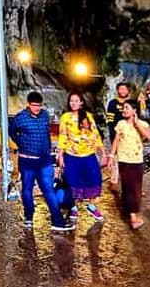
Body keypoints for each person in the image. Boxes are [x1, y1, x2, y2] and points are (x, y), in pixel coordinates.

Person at [9, 91, 73, 231]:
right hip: (27, 161)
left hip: (44, 160)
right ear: (28, 105)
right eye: (34, 105)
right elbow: (12, 131)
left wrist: (50, 152)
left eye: (39, 105)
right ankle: (28, 217)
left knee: (48, 189)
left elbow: (46, 134)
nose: (37, 108)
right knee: (27, 189)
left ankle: (57, 220)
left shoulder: (44, 115)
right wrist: (21, 143)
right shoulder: (21, 118)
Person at [57, 92, 107, 223]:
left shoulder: (88, 117)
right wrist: (60, 155)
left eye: (76, 101)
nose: (73, 103)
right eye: (71, 101)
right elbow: (62, 136)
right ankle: (73, 207)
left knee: (95, 178)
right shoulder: (65, 118)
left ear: (81, 103)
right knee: (72, 180)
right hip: (71, 155)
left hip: (88, 154)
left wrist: (104, 153)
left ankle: (91, 205)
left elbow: (95, 135)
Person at [108, 99, 150, 229]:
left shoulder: (143, 123)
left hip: (137, 160)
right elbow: (116, 140)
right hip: (124, 159)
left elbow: (148, 136)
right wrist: (111, 155)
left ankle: (130, 211)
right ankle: (133, 217)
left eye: (127, 108)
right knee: (128, 187)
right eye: (123, 108)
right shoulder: (120, 123)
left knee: (136, 188)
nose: (124, 110)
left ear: (134, 110)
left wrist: (136, 123)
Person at [106, 82, 130, 185]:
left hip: (129, 135)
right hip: (116, 133)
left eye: (125, 89)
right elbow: (110, 120)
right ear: (117, 91)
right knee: (116, 157)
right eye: (121, 89)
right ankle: (115, 179)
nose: (123, 91)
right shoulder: (112, 103)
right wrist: (113, 133)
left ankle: (127, 178)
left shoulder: (131, 103)